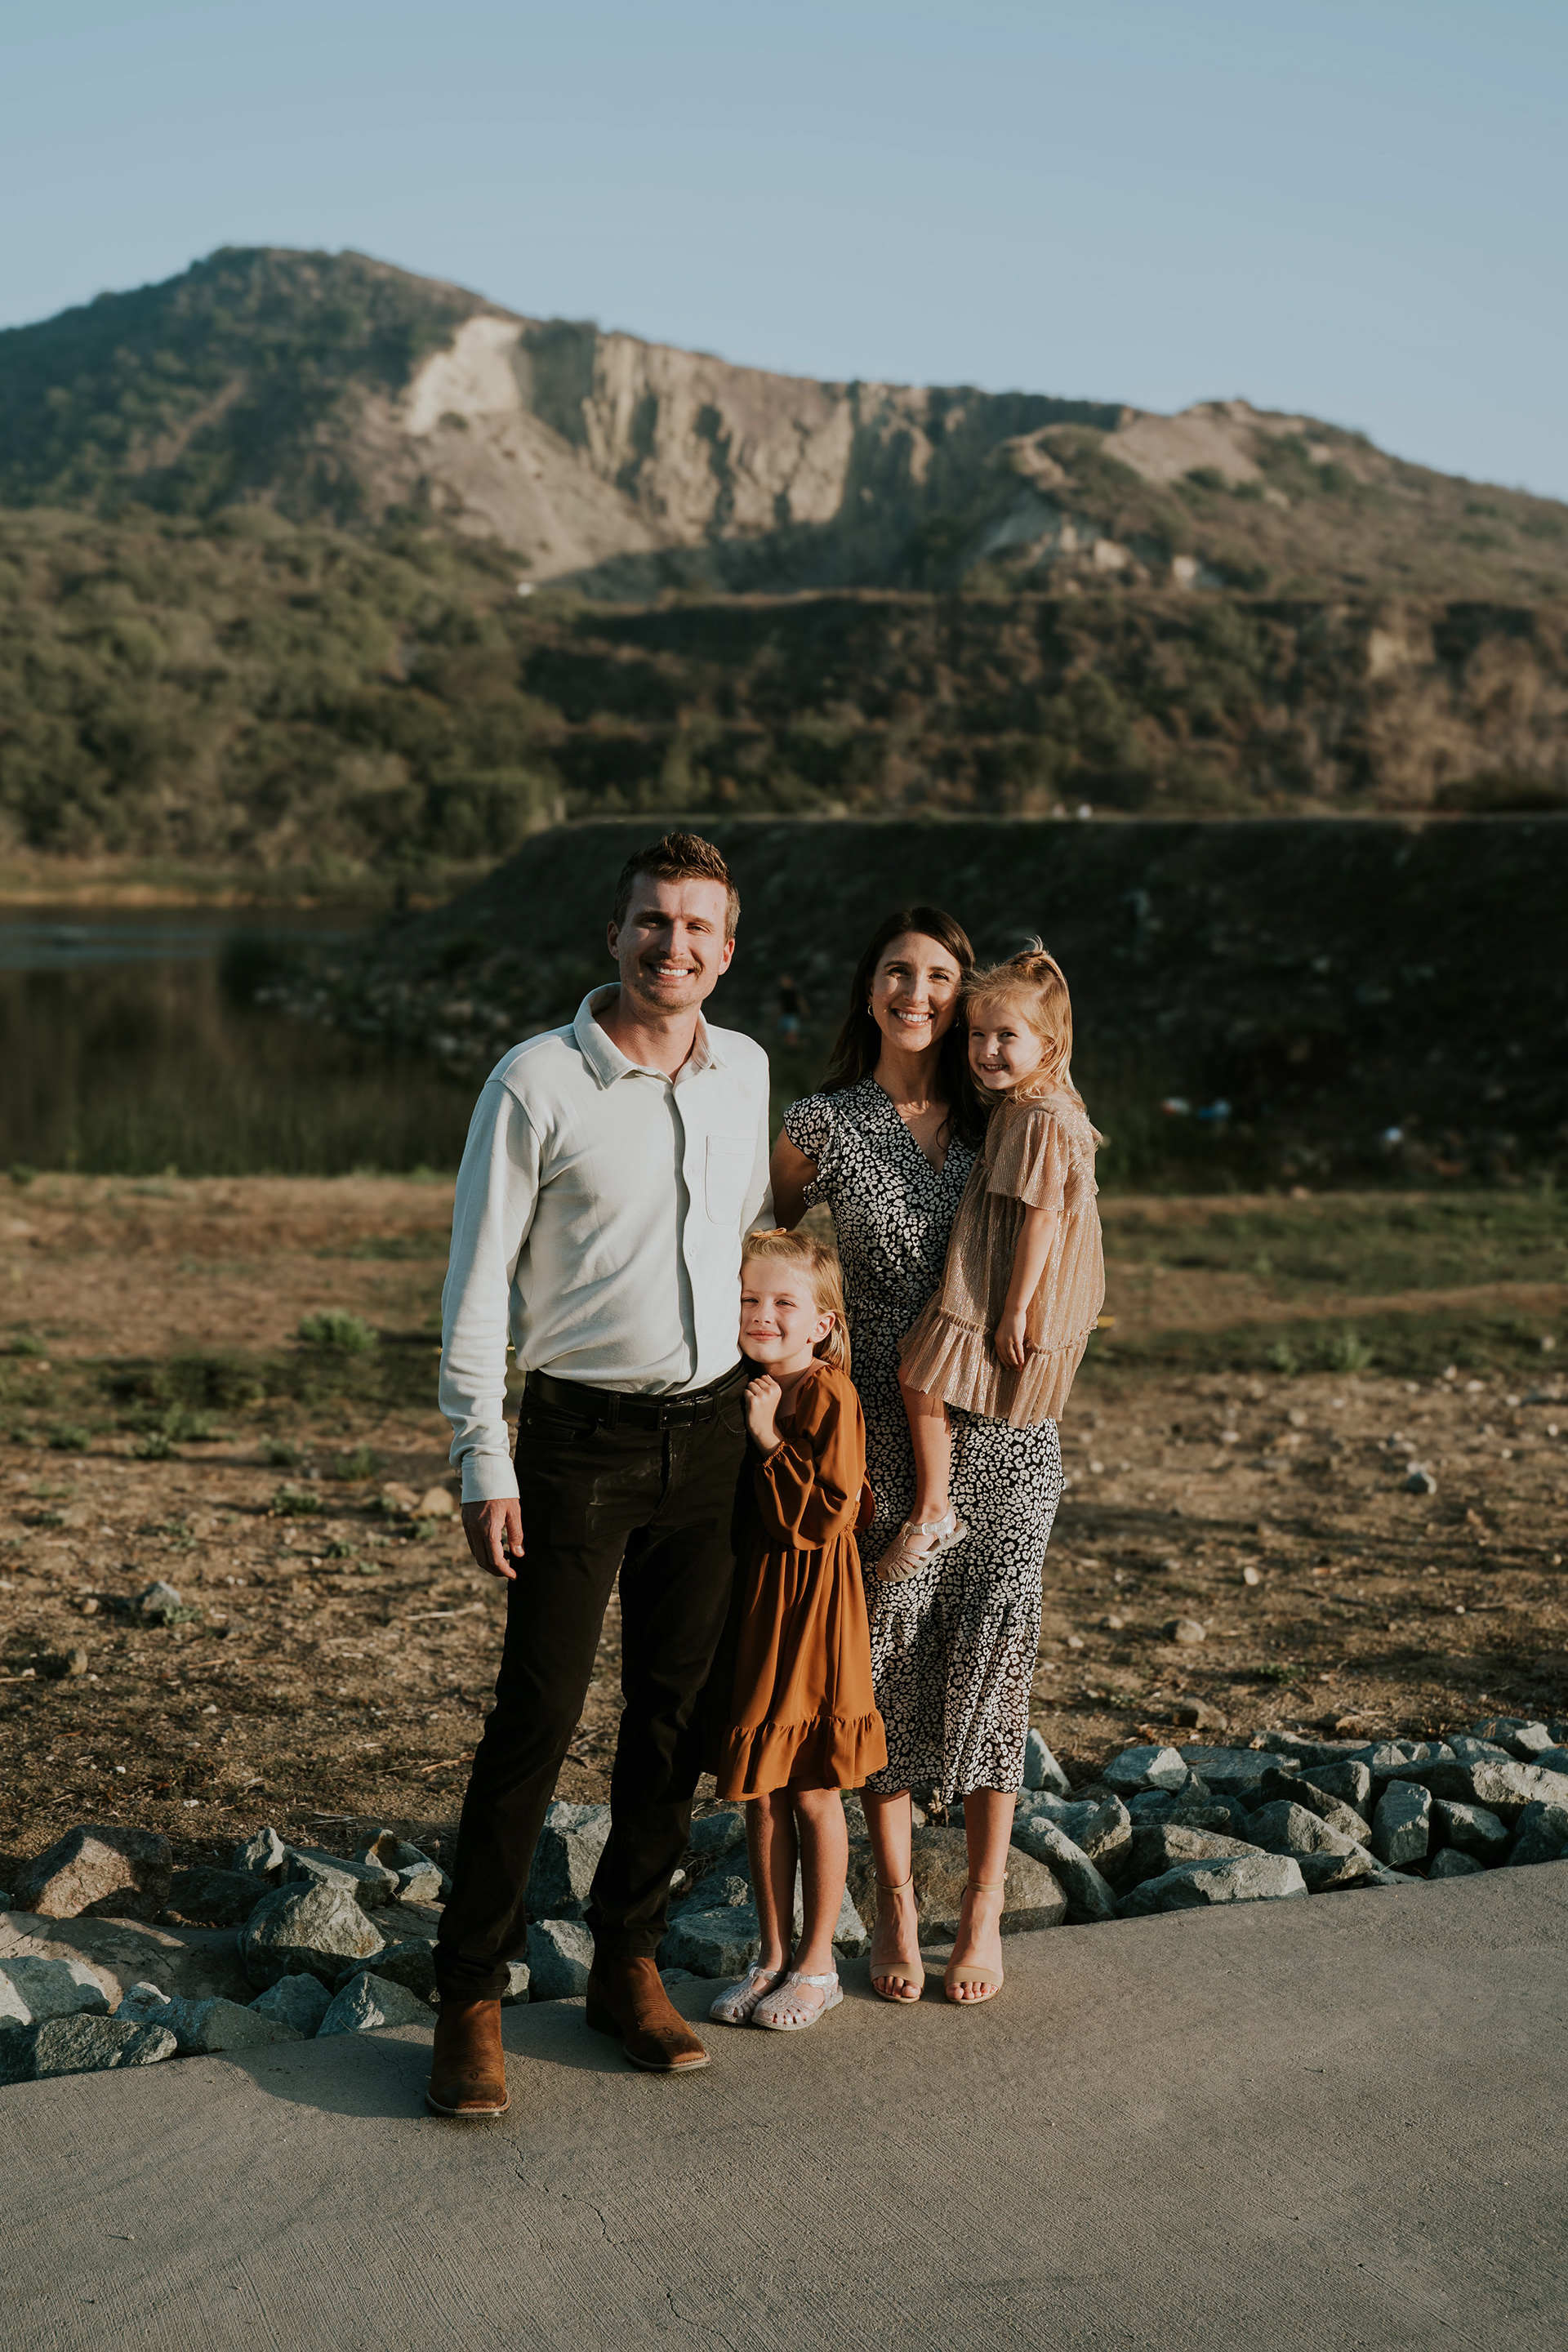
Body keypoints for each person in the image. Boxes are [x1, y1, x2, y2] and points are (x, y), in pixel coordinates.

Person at [427, 830, 771, 2118]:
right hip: (577, 1443)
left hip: (714, 1437)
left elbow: (743, 1236)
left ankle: (628, 1963)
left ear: (727, 950)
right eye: (652, 921)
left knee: (673, 1718)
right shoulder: (534, 1082)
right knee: (537, 1717)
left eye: (697, 926)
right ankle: (469, 1994)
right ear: (614, 934)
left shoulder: (745, 1071)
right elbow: (476, 1282)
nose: (672, 945)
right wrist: (482, 1453)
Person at [880, 945, 1105, 1589]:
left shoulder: (1042, 1119)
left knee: (918, 1374)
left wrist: (1014, 1309)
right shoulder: (1028, 1103)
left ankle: (933, 1511)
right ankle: (935, 1505)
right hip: (1002, 1269)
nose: (987, 1050)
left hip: (1011, 1280)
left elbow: (1042, 1221)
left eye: (1007, 1036)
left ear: (1048, 1046)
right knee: (922, 1375)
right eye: (978, 1034)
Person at [706, 1228, 885, 2034]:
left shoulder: (825, 1393)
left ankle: (819, 1966)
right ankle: (772, 1956)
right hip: (759, 1605)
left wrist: (770, 1440)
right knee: (763, 1788)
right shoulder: (740, 1384)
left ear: (822, 1322)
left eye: (784, 1302)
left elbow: (825, 1515)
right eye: (750, 1298)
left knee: (812, 1786)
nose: (763, 1313)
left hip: (814, 1609)